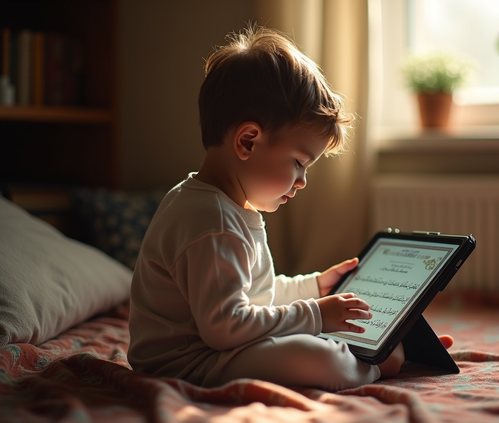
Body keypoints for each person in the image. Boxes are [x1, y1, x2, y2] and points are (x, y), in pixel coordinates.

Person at [128, 26, 454, 392]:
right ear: (248, 141)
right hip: (189, 362)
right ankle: (378, 365)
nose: (302, 182)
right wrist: (316, 314)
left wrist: (313, 287)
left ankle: (379, 348)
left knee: (313, 335)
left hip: (213, 348)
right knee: (316, 357)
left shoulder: (217, 204)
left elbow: (256, 294)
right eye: (299, 163)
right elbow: (226, 328)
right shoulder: (213, 221)